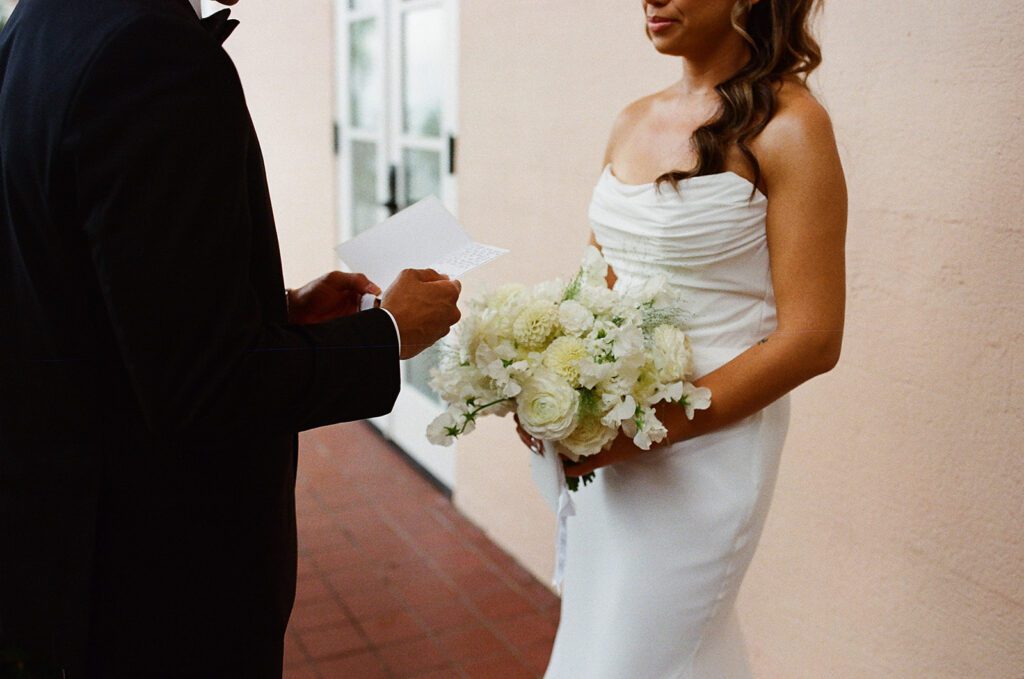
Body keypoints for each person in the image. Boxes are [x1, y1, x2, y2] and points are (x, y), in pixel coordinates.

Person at [0, 0, 461, 675]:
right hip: (160, 582)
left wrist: (277, 308)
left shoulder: (38, 22)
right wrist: (386, 335)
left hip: (64, 554)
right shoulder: (151, 54)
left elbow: (86, 290)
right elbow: (207, 386)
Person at [516, 0, 847, 676]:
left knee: (650, 652)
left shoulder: (793, 126)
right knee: (600, 632)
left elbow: (814, 338)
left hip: (709, 442)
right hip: (612, 429)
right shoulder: (632, 118)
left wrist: (642, 430)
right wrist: (555, 388)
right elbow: (598, 282)